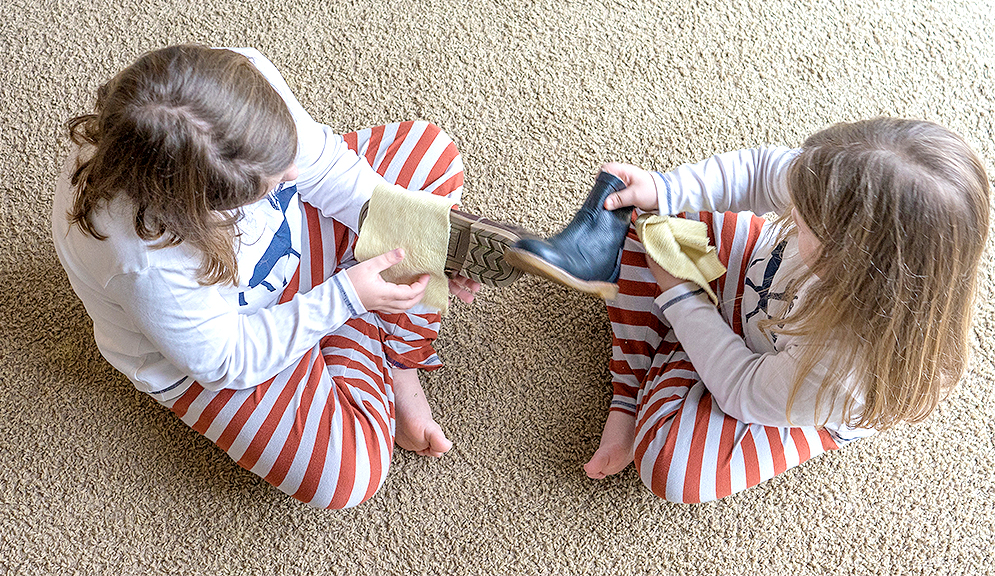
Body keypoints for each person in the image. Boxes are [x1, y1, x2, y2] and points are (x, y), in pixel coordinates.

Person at [51, 44, 521, 509]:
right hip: (231, 340)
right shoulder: (144, 264)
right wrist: (347, 298)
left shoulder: (241, 81)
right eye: (272, 181)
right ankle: (371, 324)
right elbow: (226, 361)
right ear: (203, 207)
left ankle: (391, 354)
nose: (293, 170)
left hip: (291, 254)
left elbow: (326, 168)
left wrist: (420, 240)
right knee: (345, 476)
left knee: (429, 153)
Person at [513, 118, 990, 502]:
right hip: (755, 290)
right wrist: (666, 187)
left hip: (776, 391)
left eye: (803, 223)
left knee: (674, 470)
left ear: (854, 265)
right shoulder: (838, 186)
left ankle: (667, 357)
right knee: (656, 222)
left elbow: (742, 391)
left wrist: (681, 297)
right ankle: (634, 390)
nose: (791, 209)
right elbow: (762, 172)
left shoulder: (846, 369)